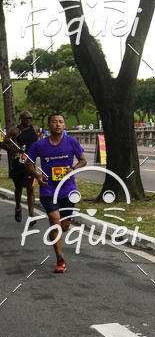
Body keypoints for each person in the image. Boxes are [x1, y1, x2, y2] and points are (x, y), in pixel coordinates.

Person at [26, 112, 87, 273]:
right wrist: (38, 176)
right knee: (55, 221)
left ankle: (58, 232)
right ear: (49, 126)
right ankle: (60, 259)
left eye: (61, 122)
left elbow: (83, 160)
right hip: (48, 189)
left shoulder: (71, 142)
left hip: (68, 189)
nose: (58, 124)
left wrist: (73, 169)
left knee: (64, 225)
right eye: (54, 122)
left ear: (65, 126)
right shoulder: (39, 145)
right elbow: (28, 162)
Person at [2, 110, 38, 221]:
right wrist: (15, 149)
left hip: (31, 163)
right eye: (26, 118)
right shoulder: (15, 131)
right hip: (18, 164)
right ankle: (18, 206)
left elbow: (38, 143)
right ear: (21, 119)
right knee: (18, 188)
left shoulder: (35, 129)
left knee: (30, 188)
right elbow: (4, 144)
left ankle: (31, 214)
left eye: (30, 118)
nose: (28, 120)